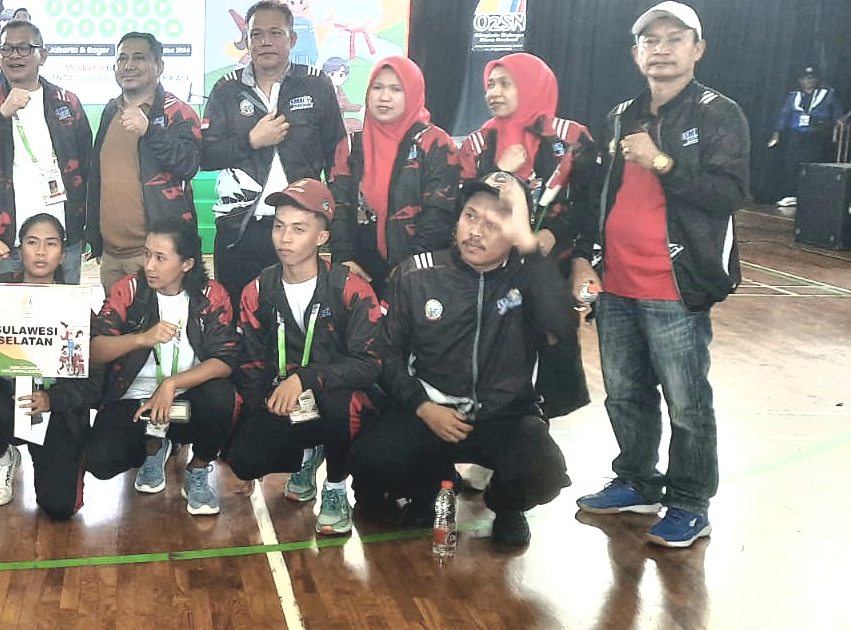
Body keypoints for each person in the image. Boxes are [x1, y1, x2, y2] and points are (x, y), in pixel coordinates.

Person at [571, 2, 749, 548]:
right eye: (651, 41)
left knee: (687, 403)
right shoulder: (620, 115)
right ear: (636, 53)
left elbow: (729, 194)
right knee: (624, 394)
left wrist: (661, 162)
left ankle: (690, 503)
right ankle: (637, 481)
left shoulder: (719, 114)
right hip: (616, 283)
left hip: (676, 286)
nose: (662, 49)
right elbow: (598, 197)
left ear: (698, 49)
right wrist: (586, 256)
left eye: (675, 38)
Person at [351, 172, 574, 546]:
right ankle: (428, 489)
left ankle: (507, 504)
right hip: (430, 410)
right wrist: (422, 406)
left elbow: (562, 327)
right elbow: (384, 352)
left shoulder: (531, 280)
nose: (476, 232)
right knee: (369, 460)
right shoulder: (416, 274)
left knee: (544, 471)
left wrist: (529, 245)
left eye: (493, 224)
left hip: (504, 416)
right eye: (470, 216)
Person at [222, 179, 383, 534]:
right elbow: (251, 367)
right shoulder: (257, 290)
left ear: (322, 237)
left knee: (339, 402)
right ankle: (309, 455)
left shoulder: (351, 290)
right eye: (278, 226)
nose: (285, 238)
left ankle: (336, 486)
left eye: (298, 229)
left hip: (342, 398)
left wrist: (306, 378)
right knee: (244, 458)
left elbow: (369, 363)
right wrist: (248, 429)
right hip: (289, 401)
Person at [457, 51, 597, 419]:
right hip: (491, 275)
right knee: (494, 361)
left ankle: (537, 431)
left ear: (532, 85)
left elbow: (590, 202)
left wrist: (554, 233)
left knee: (551, 358)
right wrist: (499, 172)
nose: (494, 92)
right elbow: (463, 203)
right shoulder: (477, 143)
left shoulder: (571, 137)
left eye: (505, 84)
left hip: (550, 270)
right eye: (490, 84)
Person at [0, 214, 98, 518]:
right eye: (32, 243)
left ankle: (44, 455)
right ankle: (2, 456)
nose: (41, 252)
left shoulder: (75, 305)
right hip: (3, 395)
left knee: (60, 507)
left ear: (63, 254)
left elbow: (92, 382)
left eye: (51, 244)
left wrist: (53, 399)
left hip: (54, 406)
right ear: (19, 250)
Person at [86, 219, 240, 515]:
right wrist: (140, 338)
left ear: (187, 264)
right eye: (146, 254)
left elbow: (226, 359)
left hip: (188, 397)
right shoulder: (129, 289)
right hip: (136, 400)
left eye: (160, 257)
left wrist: (171, 384)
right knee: (101, 462)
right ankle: (153, 447)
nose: (149, 266)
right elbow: (95, 349)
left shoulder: (211, 295)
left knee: (222, 396)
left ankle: (198, 467)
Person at [201, 0, 347, 306]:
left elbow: (337, 156)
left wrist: (337, 226)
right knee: (238, 319)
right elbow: (206, 156)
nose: (265, 41)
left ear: (292, 39)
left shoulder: (316, 84)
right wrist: (251, 141)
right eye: (257, 34)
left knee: (297, 319)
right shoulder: (226, 90)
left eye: (275, 33)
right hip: (240, 229)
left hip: (300, 227)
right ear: (247, 40)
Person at [0, 20, 92, 280]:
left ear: (42, 55)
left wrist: (89, 226)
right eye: (7, 49)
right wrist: (1, 116)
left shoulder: (67, 103)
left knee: (65, 306)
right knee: (7, 306)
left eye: (24, 48)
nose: (14, 56)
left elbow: (88, 166)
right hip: (6, 242)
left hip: (64, 239)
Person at [329, 56, 459, 294]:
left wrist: (411, 267)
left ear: (412, 93)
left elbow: (439, 213)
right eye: (377, 88)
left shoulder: (435, 143)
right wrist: (343, 259)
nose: (384, 97)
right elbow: (338, 206)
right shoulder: (349, 145)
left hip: (420, 275)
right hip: (357, 273)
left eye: (396, 89)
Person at [88, 32, 201, 292]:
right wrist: (95, 238)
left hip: (157, 256)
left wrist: (149, 130)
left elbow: (189, 164)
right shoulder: (110, 111)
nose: (128, 66)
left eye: (138, 58)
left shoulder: (177, 111)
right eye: (122, 59)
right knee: (115, 318)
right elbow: (98, 177)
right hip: (111, 255)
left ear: (159, 66)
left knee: (160, 319)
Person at [767, 65, 844, 206]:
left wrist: (839, 125)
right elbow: (784, 115)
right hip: (797, 135)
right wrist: (777, 133)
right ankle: (792, 195)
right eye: (805, 78)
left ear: (816, 79)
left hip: (816, 135)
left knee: (811, 164)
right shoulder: (794, 96)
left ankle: (809, 195)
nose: (808, 81)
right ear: (800, 81)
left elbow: (837, 113)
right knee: (792, 164)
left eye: (811, 78)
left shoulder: (827, 94)